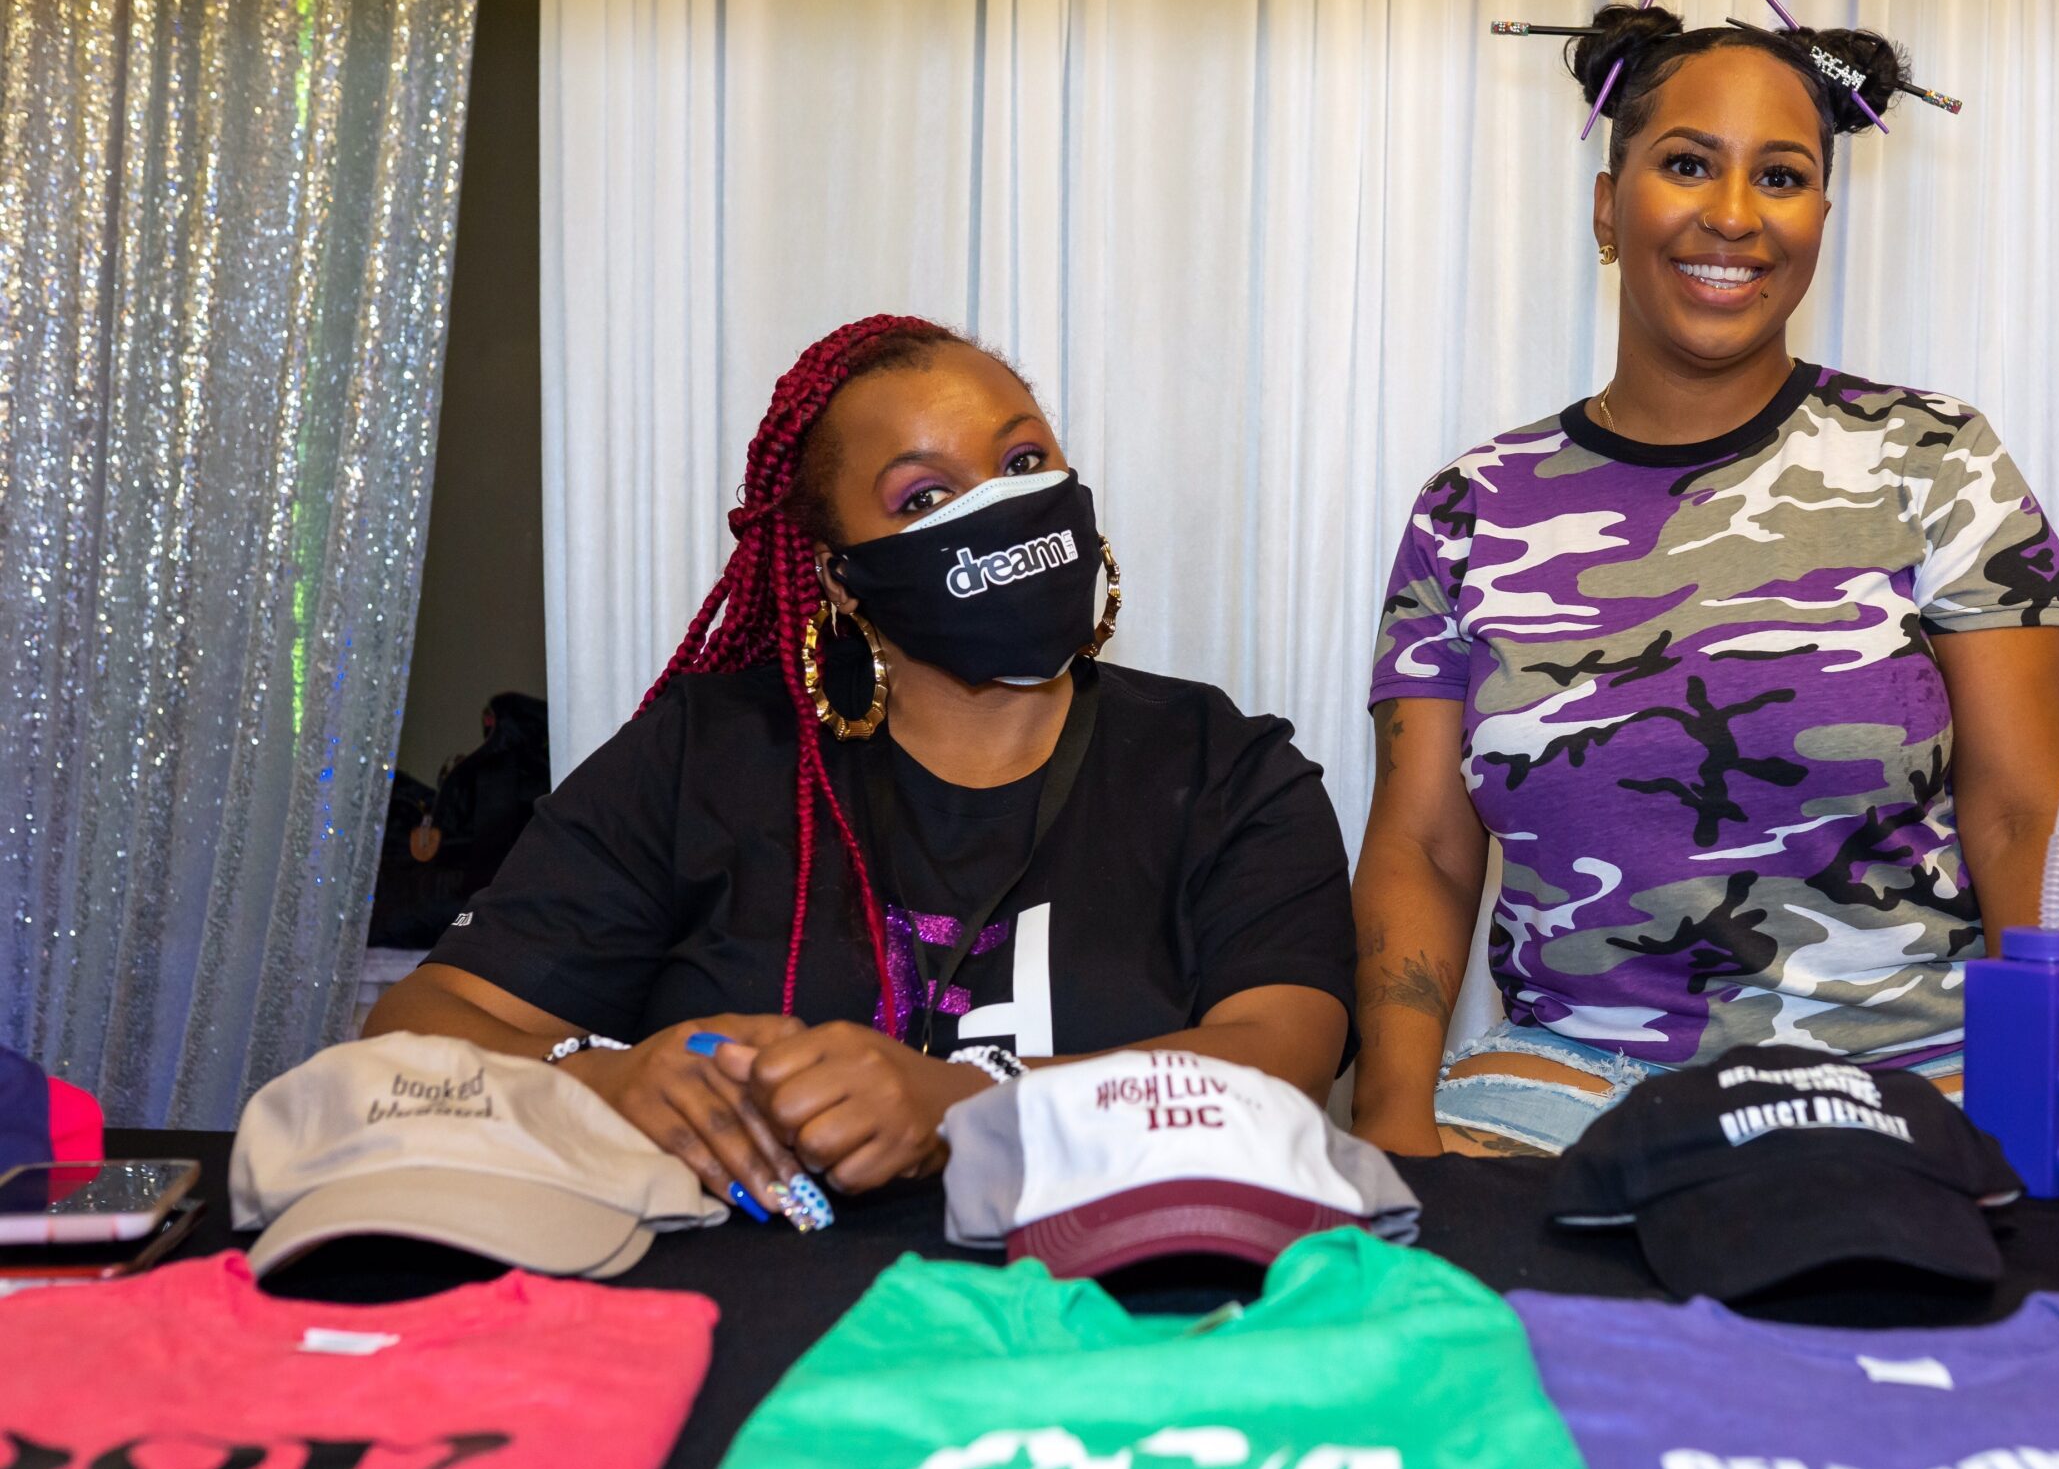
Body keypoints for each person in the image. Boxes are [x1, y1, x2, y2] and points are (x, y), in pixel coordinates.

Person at [368, 316, 1355, 1209]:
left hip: (1108, 1316)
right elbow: (419, 1026)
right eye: (925, 494)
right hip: (741, 1320)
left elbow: (1279, 1065)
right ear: (839, 573)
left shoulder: (1223, 764)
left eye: (1022, 459)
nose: (1000, 510)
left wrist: (965, 1102)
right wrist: (603, 1077)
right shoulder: (705, 755)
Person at [1352, 9, 2059, 1158]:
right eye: (1687, 164)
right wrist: (1393, 1126)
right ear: (1609, 209)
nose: (1733, 214)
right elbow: (1424, 847)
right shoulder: (1471, 506)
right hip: (1574, 1077)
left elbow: (2023, 816)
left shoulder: (1936, 458)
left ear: (1819, 218)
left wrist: (2055, 1112)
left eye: (1783, 176)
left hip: (1908, 1069)